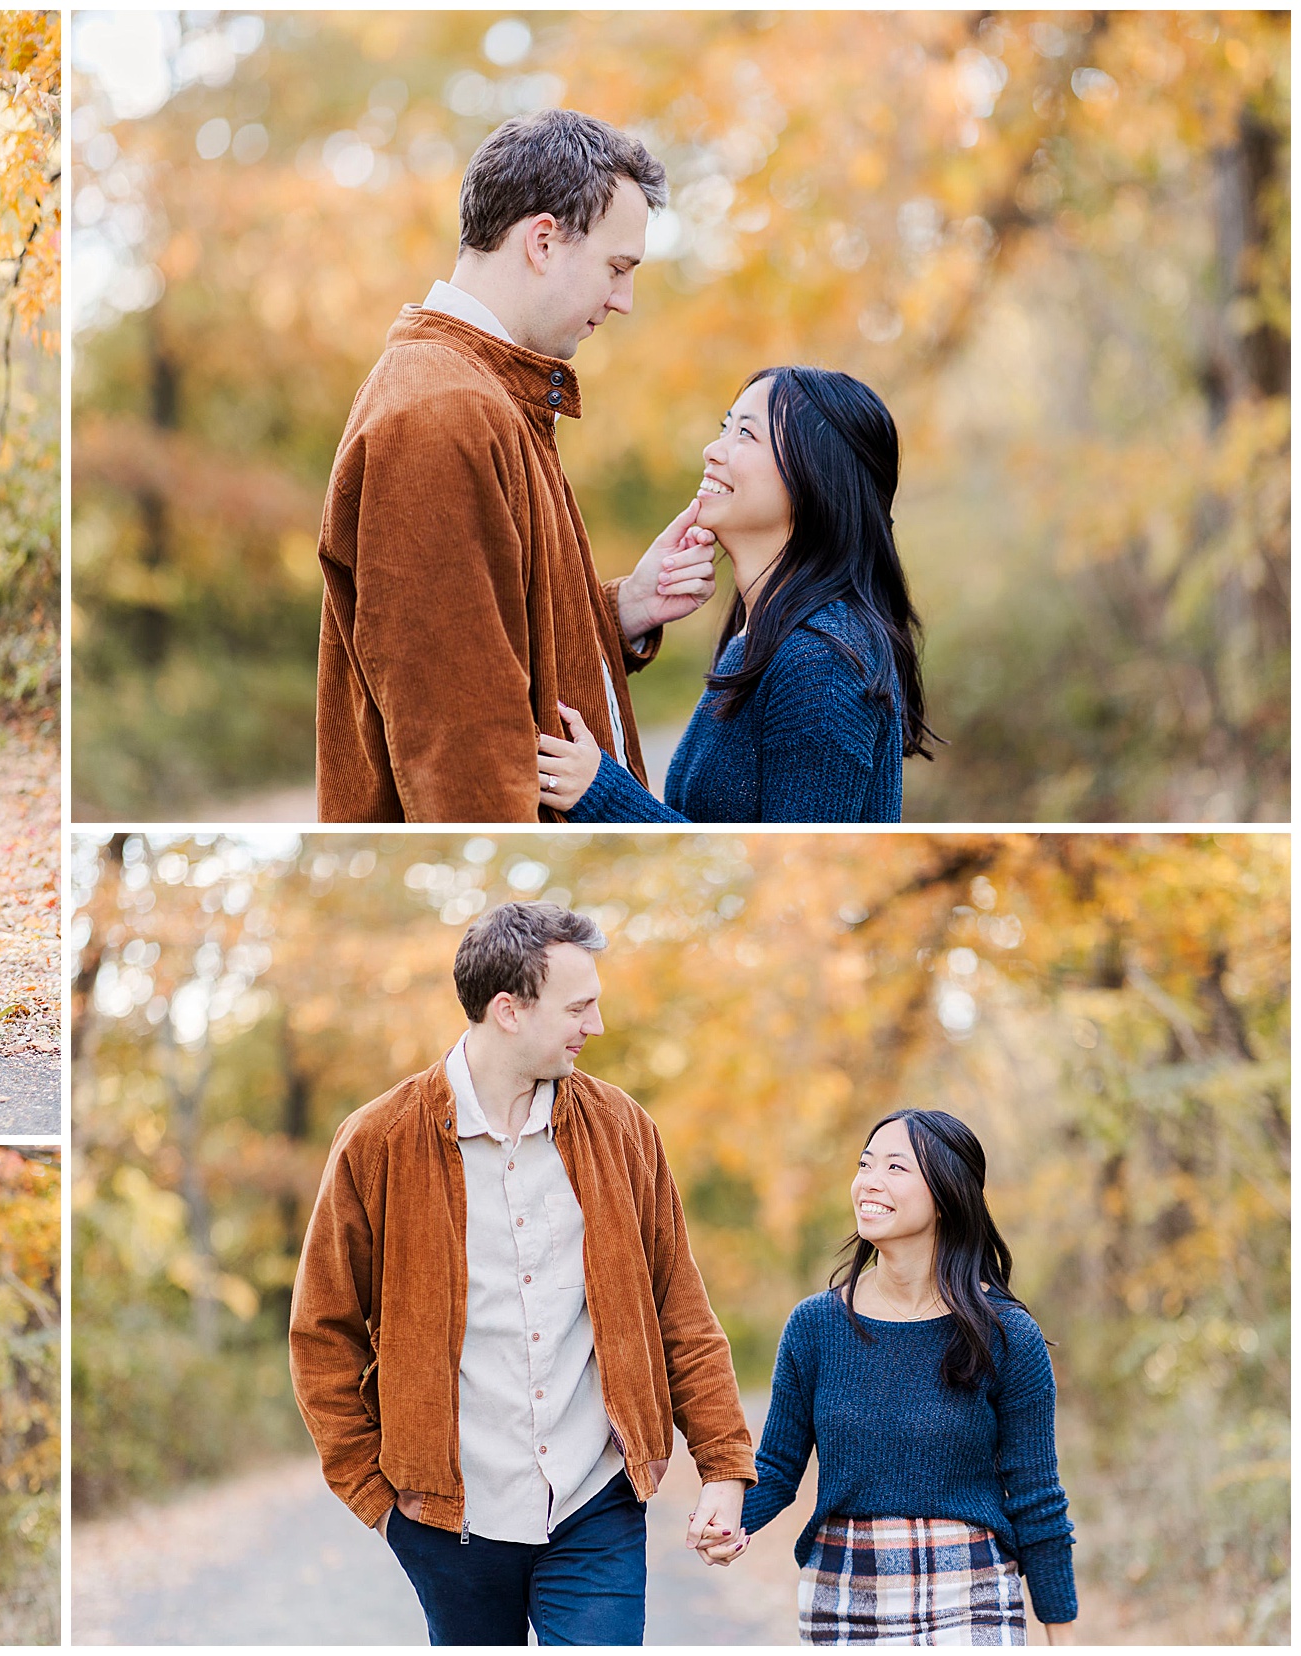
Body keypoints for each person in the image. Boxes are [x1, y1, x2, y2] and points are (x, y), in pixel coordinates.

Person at [289, 900, 755, 1644]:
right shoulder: (378, 1142)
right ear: (508, 1011)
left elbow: (681, 1307)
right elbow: (322, 1331)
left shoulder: (623, 1129)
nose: (595, 1026)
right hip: (451, 1523)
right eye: (579, 1007)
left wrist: (724, 1467)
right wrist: (374, 1498)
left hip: (594, 1504)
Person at [314, 108, 719, 823]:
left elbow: (506, 651)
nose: (622, 301)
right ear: (542, 241)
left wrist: (621, 611)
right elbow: (459, 746)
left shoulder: (491, 395)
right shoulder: (440, 413)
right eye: (617, 269)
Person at [705, 1111, 1078, 1645]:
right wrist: (728, 1520)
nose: (868, 1181)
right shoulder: (815, 1327)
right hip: (843, 1588)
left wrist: (1061, 1637)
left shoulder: (1005, 1336)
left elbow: (1036, 1498)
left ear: (947, 1194)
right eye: (864, 1164)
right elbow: (778, 1467)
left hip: (972, 1593)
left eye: (895, 1167)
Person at [535, 366, 938, 821]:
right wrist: (631, 607)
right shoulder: (762, 640)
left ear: (814, 477)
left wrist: (603, 794)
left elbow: (790, 864)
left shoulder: (821, 662)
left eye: (745, 434)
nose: (712, 449)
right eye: (724, 427)